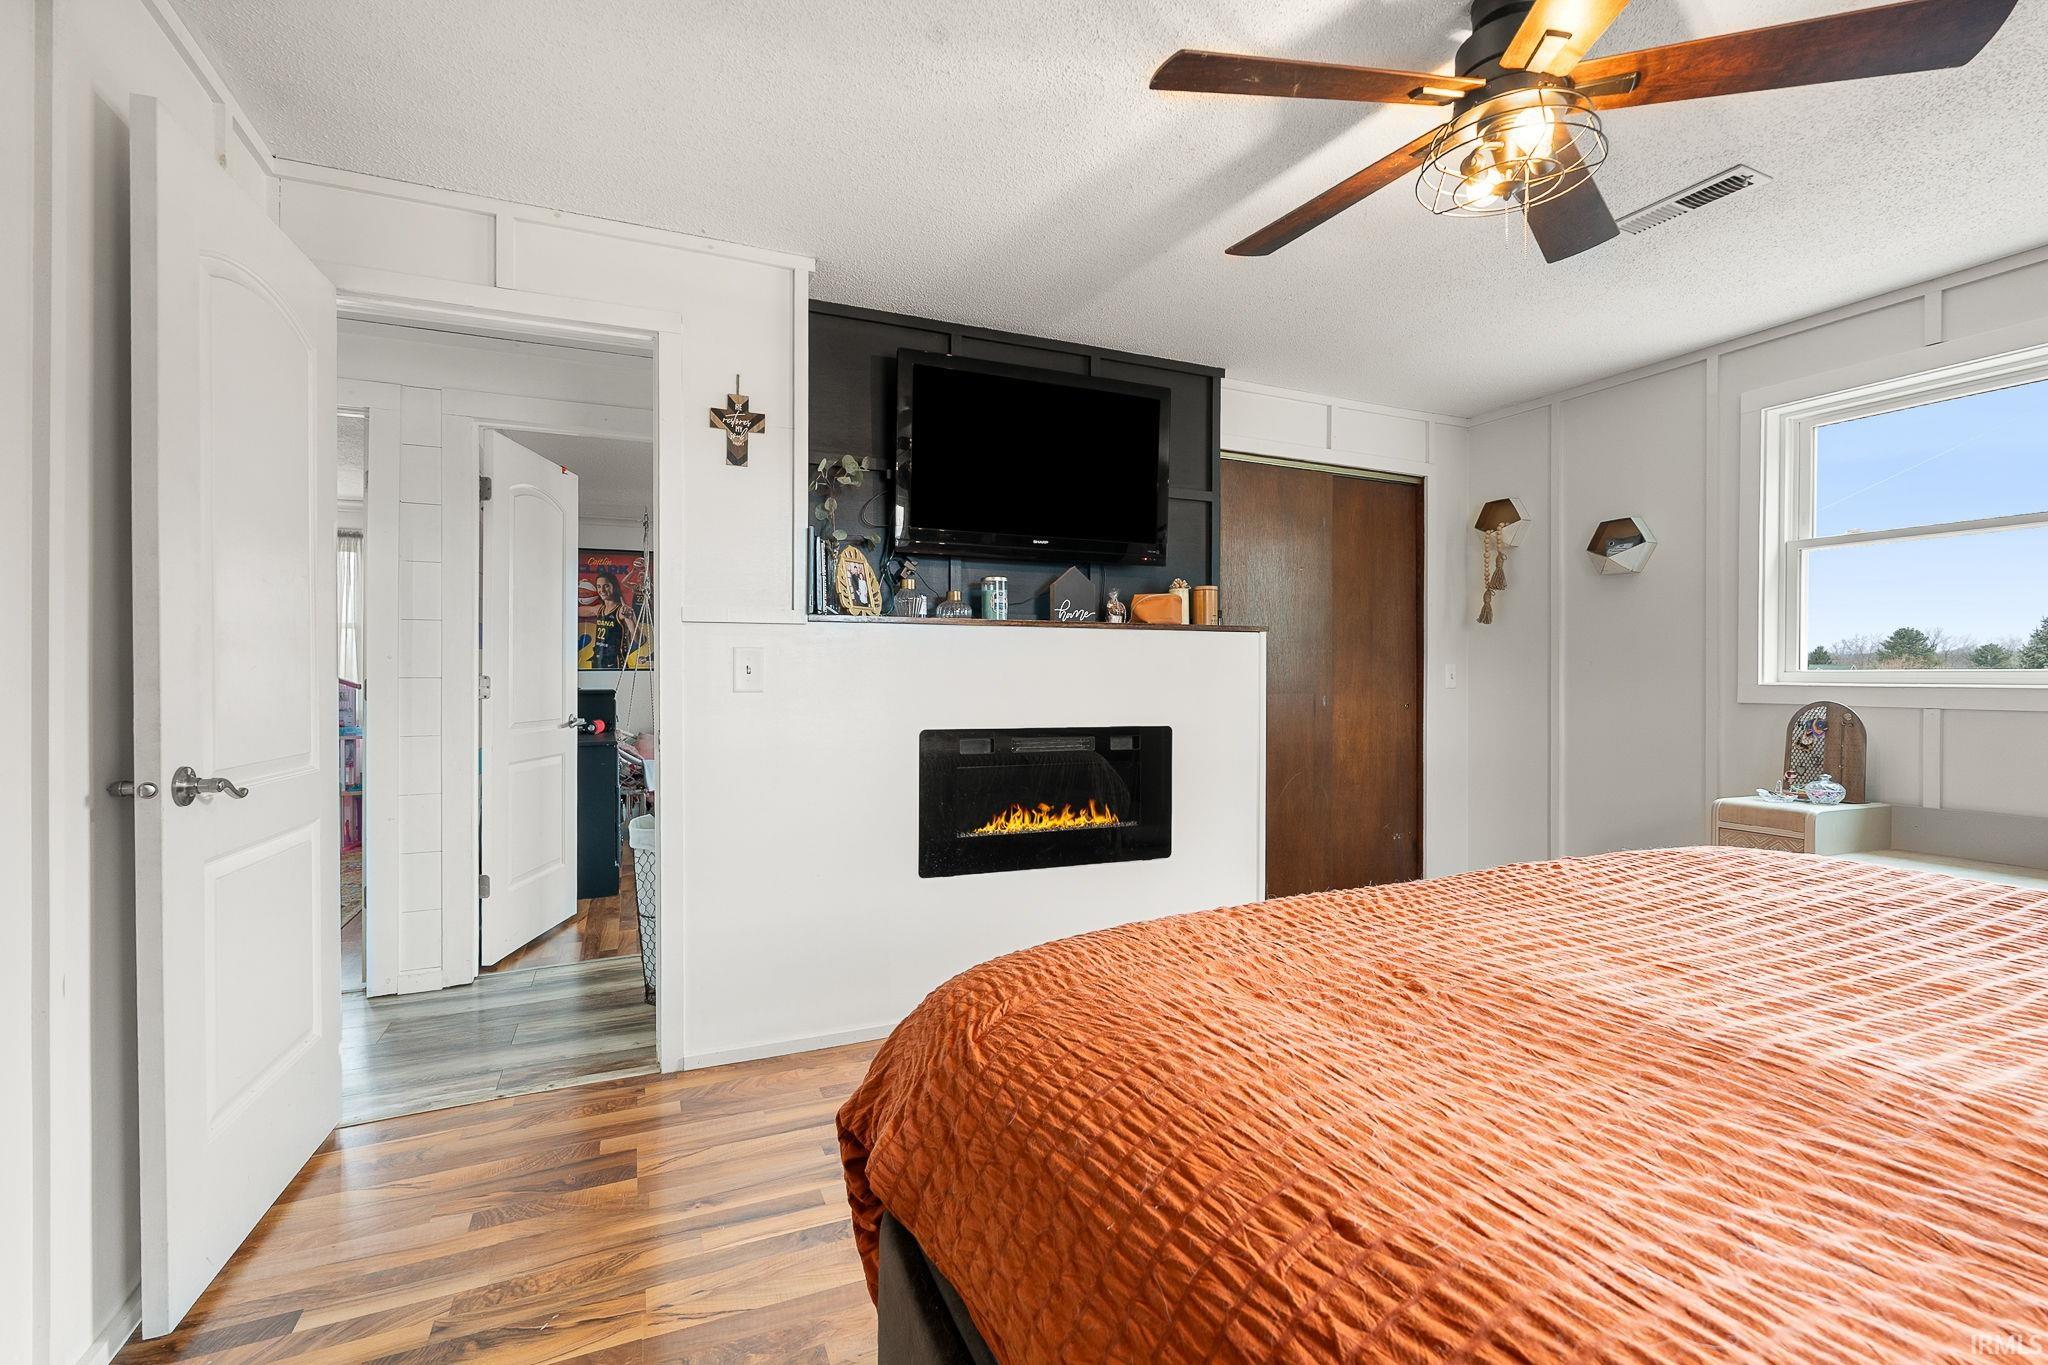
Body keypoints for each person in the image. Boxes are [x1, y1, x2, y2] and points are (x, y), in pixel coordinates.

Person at [586, 570, 641, 670]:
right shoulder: (599, 609)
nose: (601, 590)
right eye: (598, 586)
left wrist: (630, 620)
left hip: (615, 663)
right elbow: (575, 610)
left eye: (606, 586)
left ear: (614, 587)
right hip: (598, 661)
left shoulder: (622, 611)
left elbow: (638, 640)